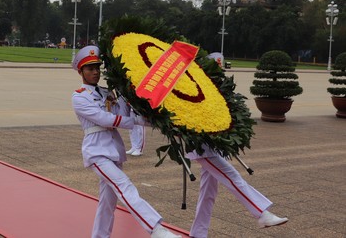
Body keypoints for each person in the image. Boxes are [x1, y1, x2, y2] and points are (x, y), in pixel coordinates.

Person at [71, 46, 180, 238]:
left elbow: (124, 115)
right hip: (97, 152)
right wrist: (130, 120)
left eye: (97, 67)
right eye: (90, 69)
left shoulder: (108, 93)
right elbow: (105, 119)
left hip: (114, 150)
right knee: (124, 186)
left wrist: (159, 122)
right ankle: (156, 229)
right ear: (81, 72)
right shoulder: (79, 96)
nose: (95, 71)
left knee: (107, 203)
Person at [187, 147, 288, 238]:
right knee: (233, 177)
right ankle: (261, 213)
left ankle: (198, 232)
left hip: (212, 146)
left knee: (208, 191)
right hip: (203, 148)